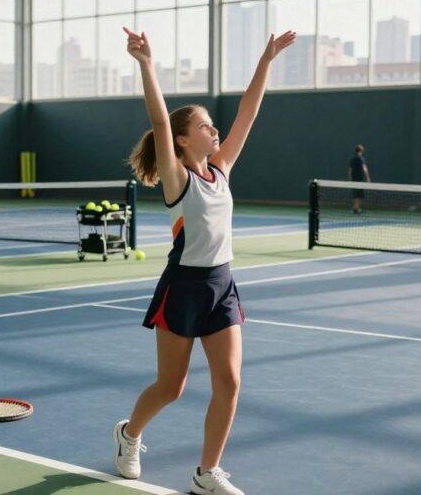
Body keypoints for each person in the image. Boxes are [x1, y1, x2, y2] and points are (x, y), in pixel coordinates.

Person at [117, 25, 295, 495]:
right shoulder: (179, 181)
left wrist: (266, 60)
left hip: (222, 285)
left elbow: (248, 114)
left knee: (230, 382)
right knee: (171, 388)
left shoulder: (221, 169)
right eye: (204, 126)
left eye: (213, 125)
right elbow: (158, 122)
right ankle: (129, 434)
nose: (215, 130)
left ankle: (205, 474)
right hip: (183, 289)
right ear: (181, 141)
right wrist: (147, 65)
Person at [347, 144, 371, 214]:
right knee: (359, 196)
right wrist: (368, 178)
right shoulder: (361, 159)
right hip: (359, 180)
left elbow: (349, 170)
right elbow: (365, 169)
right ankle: (355, 209)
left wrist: (350, 179)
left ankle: (356, 209)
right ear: (361, 151)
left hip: (354, 180)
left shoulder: (352, 159)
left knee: (356, 195)